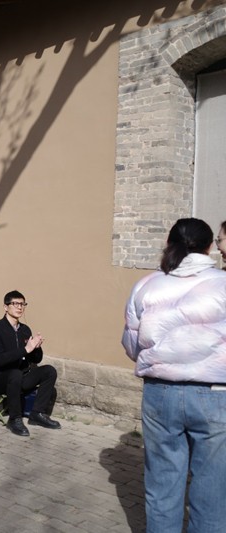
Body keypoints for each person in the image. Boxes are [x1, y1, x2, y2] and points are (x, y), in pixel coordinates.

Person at [122, 217, 226, 532]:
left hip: (159, 392)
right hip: (215, 395)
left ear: (169, 243)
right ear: (210, 247)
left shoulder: (145, 285)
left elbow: (132, 345)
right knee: (212, 489)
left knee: (162, 486)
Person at [0, 290, 60, 437]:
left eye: (22, 304)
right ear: (5, 307)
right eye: (15, 303)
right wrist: (25, 349)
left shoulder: (25, 330)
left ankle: (37, 414)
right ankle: (14, 419)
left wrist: (36, 348)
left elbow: (36, 359)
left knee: (49, 371)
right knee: (15, 373)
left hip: (20, 377)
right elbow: (0, 360)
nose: (19, 307)